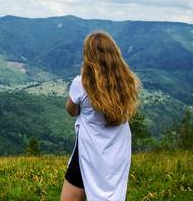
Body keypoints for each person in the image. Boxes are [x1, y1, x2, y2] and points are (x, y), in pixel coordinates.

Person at [60, 32, 141, 201]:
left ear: (88, 57)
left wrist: (84, 72)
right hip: (117, 150)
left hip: (88, 150)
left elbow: (72, 111)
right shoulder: (129, 82)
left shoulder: (81, 84)